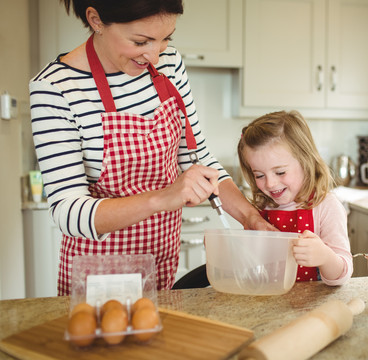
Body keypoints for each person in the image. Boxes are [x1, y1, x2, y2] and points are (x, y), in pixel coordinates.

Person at [29, 0, 274, 296]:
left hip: (160, 263)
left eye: (166, 38)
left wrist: (250, 218)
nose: (154, 54)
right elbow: (68, 212)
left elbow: (197, 159)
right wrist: (163, 198)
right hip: (99, 276)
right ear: (95, 19)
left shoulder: (169, 63)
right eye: (140, 41)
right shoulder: (56, 88)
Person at [237, 111, 353, 285]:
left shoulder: (326, 206)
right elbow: (253, 265)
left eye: (280, 172)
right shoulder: (263, 207)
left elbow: (342, 275)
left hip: (311, 307)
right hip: (270, 304)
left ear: (305, 161)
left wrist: (325, 257)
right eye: (259, 175)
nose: (270, 183)